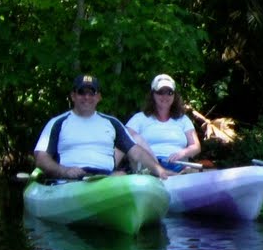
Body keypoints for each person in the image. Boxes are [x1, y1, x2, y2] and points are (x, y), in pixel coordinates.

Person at [32, 73, 172, 181]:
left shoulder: (112, 123)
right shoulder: (58, 123)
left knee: (121, 175)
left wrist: (159, 170)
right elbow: (41, 157)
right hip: (70, 181)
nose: (87, 97)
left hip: (106, 181)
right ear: (73, 96)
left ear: (98, 97)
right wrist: (64, 171)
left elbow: (136, 152)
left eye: (91, 92)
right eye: (82, 92)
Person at [124, 74, 201, 169]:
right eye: (160, 92)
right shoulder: (139, 118)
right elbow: (124, 140)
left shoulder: (183, 119)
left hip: (177, 164)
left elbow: (196, 146)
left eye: (169, 92)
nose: (165, 96)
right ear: (153, 95)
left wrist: (183, 152)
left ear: (174, 96)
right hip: (147, 167)